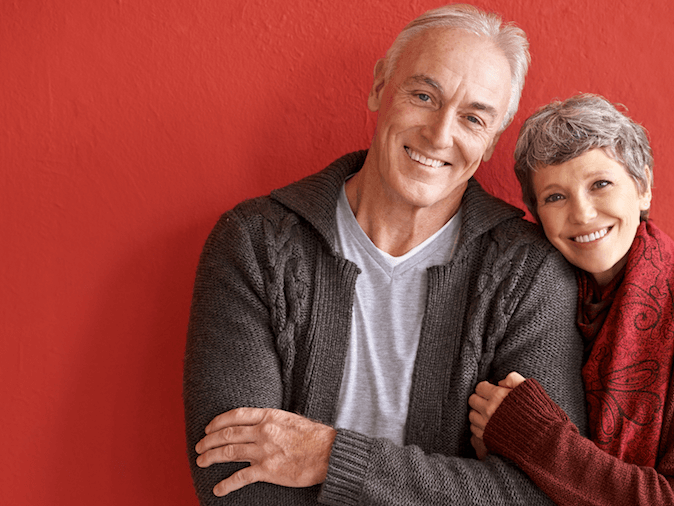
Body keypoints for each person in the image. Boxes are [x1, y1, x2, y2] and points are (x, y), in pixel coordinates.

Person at [184, 5, 587, 505]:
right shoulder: (255, 242)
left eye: (473, 118)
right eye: (423, 95)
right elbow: (231, 475)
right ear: (379, 87)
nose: (440, 135)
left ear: (491, 141)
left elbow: (540, 492)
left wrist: (333, 457)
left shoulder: (528, 273)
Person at [468, 93, 674, 505]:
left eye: (600, 184)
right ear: (537, 214)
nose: (582, 213)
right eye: (555, 196)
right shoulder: (528, 312)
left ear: (643, 189)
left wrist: (536, 440)